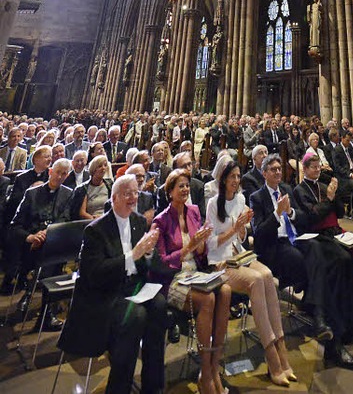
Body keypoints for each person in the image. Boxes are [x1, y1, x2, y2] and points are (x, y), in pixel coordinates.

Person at [59, 175, 166, 394]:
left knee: (159, 305)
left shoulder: (137, 221)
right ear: (114, 197)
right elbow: (94, 274)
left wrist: (147, 254)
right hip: (106, 293)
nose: (133, 198)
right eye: (128, 193)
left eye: (136, 192)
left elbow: (145, 265)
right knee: (136, 316)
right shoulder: (96, 230)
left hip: (133, 286)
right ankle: (119, 387)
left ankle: (153, 386)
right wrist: (133, 255)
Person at [294, 152, 353, 367]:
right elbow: (311, 218)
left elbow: (339, 212)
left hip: (336, 231)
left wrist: (335, 196)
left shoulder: (325, 184)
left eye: (319, 166)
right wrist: (328, 198)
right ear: (305, 169)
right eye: (313, 167)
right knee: (345, 260)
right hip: (319, 237)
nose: (317, 170)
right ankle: (348, 324)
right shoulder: (299, 190)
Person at [207, 161, 294, 387]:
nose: (236, 181)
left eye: (238, 176)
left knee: (266, 275)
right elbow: (211, 244)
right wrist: (234, 230)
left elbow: (242, 238)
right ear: (223, 179)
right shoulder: (212, 204)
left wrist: (243, 229)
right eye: (232, 177)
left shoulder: (241, 199)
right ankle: (272, 357)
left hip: (239, 255)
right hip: (221, 261)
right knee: (256, 280)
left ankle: (281, 348)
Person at [155, 169, 230, 394]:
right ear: (170, 191)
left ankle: (214, 367)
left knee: (225, 290)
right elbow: (162, 263)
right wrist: (188, 247)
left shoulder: (194, 211)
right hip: (174, 279)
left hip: (195, 272)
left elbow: (201, 252)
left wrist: (201, 244)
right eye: (180, 186)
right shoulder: (161, 221)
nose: (186, 189)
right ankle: (205, 375)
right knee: (207, 300)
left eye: (187, 185)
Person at [249, 154, 334, 344]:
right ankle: (319, 316)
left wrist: (291, 212)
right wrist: (277, 213)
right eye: (273, 169)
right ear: (264, 173)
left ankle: (314, 307)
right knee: (302, 260)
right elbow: (259, 233)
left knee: (317, 249)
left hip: (295, 237)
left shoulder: (287, 189)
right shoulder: (257, 197)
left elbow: (303, 219)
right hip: (275, 244)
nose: (278, 172)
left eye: (280, 168)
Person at [5, 158, 74, 325]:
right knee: (49, 260)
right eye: (58, 172)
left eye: (65, 174)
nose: (61, 177)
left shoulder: (68, 194)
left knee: (51, 257)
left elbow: (64, 220)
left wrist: (47, 234)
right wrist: (31, 237)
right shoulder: (32, 193)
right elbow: (15, 225)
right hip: (30, 245)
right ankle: (46, 313)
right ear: (50, 172)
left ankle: (30, 292)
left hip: (53, 242)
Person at [156, 150, 206, 220]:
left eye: (189, 164)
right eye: (184, 166)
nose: (188, 169)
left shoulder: (198, 186)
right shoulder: (163, 190)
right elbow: (162, 219)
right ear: (175, 170)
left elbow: (202, 216)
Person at [73, 154, 113, 220]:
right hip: (90, 221)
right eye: (100, 166)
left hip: (108, 219)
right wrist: (95, 219)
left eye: (105, 165)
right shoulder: (83, 189)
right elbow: (82, 213)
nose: (103, 168)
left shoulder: (110, 184)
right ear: (93, 169)